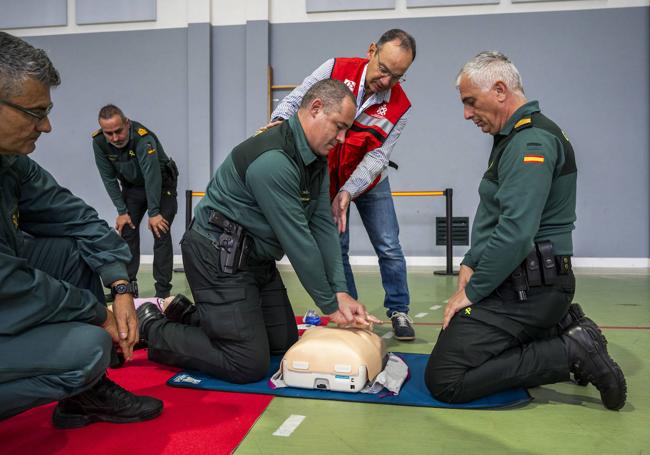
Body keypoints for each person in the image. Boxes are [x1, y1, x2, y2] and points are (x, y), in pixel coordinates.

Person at [137, 79, 379, 383]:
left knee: (284, 345)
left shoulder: (315, 158)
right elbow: (299, 241)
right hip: (217, 256)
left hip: (253, 258)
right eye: (339, 127)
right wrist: (330, 305)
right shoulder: (273, 161)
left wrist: (340, 290)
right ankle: (151, 327)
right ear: (316, 108)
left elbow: (321, 224)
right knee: (246, 363)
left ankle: (189, 315)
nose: (343, 139)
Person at [424, 51, 627, 410]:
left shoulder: (530, 142)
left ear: (500, 90)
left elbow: (517, 232)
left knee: (445, 379)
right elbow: (495, 212)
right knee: (453, 344)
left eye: (471, 102)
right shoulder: (512, 136)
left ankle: (570, 351)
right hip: (520, 283)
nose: (467, 114)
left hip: (528, 289)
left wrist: (474, 290)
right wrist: (471, 261)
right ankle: (562, 328)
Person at [0, 32, 163, 427]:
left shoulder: (10, 163)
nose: (48, 126)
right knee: (89, 348)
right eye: (36, 113)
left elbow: (81, 219)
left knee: (74, 251)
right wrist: (95, 313)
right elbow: (8, 280)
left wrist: (121, 288)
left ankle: (82, 398)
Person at [267, 29, 417, 341]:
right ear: (371, 50)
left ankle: (399, 309)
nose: (387, 81)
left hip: (369, 181)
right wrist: (277, 127)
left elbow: (378, 156)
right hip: (329, 178)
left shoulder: (401, 108)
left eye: (398, 76)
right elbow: (298, 99)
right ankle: (350, 311)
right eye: (384, 70)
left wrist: (349, 191)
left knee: (389, 246)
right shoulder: (334, 68)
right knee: (339, 247)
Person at [92, 104, 178, 298]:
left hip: (162, 185)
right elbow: (108, 178)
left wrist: (154, 213)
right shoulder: (99, 142)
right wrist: (122, 211)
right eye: (109, 133)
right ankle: (128, 289)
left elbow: (152, 177)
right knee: (127, 229)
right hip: (133, 187)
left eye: (118, 131)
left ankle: (162, 293)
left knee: (160, 232)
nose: (115, 138)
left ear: (127, 124)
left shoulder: (143, 138)